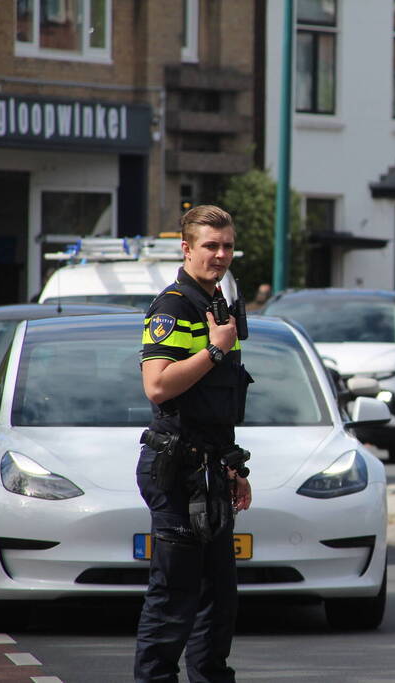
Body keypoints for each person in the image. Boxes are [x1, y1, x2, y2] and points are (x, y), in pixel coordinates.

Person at [135, 205, 253, 683]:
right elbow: (158, 387)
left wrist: (234, 467)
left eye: (227, 246)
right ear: (186, 248)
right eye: (210, 246)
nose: (220, 255)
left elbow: (217, 403)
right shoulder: (173, 306)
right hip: (177, 471)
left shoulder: (220, 303)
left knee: (218, 601)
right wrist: (215, 349)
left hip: (211, 469)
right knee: (173, 601)